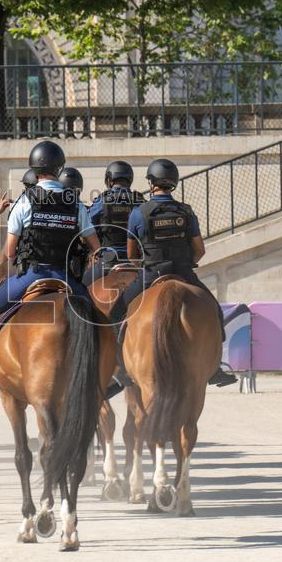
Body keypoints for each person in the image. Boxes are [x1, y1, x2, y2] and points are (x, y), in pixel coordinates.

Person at [0, 140, 100, 397]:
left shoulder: (25, 200)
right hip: (67, 279)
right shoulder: (74, 202)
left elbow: (9, 252)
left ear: (33, 168)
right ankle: (104, 377)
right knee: (97, 321)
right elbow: (95, 246)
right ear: (60, 167)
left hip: (32, 276)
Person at [104, 158, 237, 397]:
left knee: (115, 316)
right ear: (173, 183)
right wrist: (188, 262)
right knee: (215, 312)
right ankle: (215, 367)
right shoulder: (186, 211)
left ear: (151, 182)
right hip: (184, 272)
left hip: (151, 273)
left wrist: (141, 263)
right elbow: (200, 250)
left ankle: (118, 371)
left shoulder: (139, 212)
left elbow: (133, 253)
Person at [83, 161, 144, 285]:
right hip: (136, 261)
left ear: (110, 180)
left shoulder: (102, 201)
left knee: (81, 289)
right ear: (129, 179)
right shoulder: (140, 201)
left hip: (108, 259)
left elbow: (87, 226)